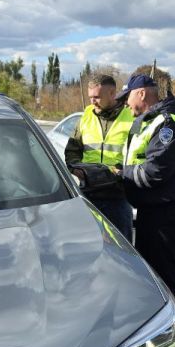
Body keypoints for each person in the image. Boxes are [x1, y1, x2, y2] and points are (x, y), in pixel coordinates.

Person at [116, 73, 175, 310]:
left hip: (164, 214)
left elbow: (155, 172)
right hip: (151, 211)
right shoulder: (152, 121)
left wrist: (121, 174)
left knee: (165, 277)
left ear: (141, 93)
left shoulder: (168, 124)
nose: (125, 103)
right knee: (152, 275)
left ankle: (174, 331)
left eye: (127, 97)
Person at [64, 74, 134, 238]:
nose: (92, 101)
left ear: (112, 94)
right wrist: (75, 168)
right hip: (89, 192)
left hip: (117, 194)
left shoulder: (130, 116)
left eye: (97, 97)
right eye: (90, 97)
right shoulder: (87, 115)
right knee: (88, 244)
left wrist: (124, 172)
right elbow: (72, 149)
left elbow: (138, 154)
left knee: (121, 245)